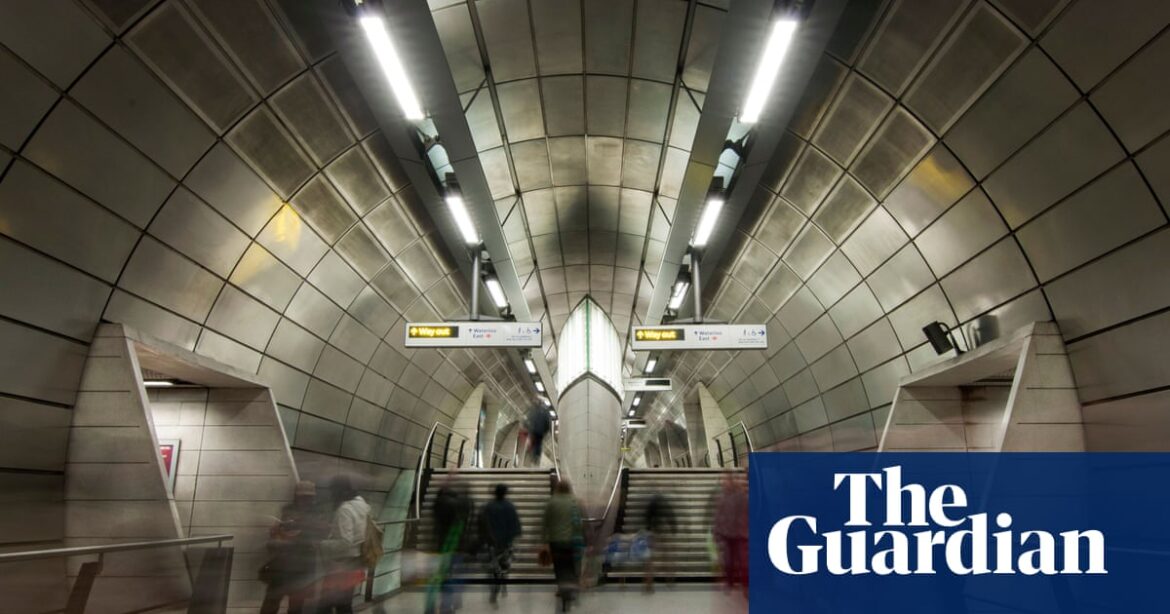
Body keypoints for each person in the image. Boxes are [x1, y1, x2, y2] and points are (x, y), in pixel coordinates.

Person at [259, 481, 322, 614]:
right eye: (303, 496)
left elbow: (317, 536)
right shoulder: (288, 510)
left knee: (295, 605)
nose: (305, 500)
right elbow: (278, 533)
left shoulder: (316, 514)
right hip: (285, 563)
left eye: (307, 497)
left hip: (301, 564)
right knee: (272, 601)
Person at [317, 475, 371, 614]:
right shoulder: (362, 505)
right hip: (356, 560)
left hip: (342, 563)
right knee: (344, 603)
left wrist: (321, 544)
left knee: (325, 604)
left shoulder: (344, 510)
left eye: (332, 491)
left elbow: (345, 542)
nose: (331, 495)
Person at [429, 478, 473, 614]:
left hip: (442, 546)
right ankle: (450, 604)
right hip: (455, 546)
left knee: (443, 576)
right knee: (454, 575)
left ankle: (442, 606)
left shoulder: (439, 504)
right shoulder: (458, 508)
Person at [478, 483, 522, 607]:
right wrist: (513, 540)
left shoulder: (488, 506)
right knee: (503, 567)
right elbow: (515, 527)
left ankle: (494, 590)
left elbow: (482, 524)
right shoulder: (509, 506)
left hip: (491, 543)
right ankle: (501, 585)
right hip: (505, 544)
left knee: (493, 568)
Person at [543, 480, 584, 612]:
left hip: (556, 541)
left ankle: (561, 588)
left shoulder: (552, 502)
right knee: (571, 565)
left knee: (559, 567)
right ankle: (572, 586)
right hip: (572, 541)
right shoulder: (575, 502)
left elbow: (545, 524)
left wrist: (544, 542)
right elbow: (579, 523)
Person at [713, 473, 749, 596]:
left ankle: (746, 586)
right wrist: (716, 533)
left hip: (740, 535)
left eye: (725, 480)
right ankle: (730, 583)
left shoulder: (741, 497)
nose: (723, 482)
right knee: (728, 561)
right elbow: (718, 517)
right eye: (722, 480)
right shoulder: (722, 498)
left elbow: (748, 513)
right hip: (727, 535)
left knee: (743, 562)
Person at [642, 492, 677, 592]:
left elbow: (647, 517)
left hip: (653, 531)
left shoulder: (651, 504)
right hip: (664, 530)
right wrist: (673, 527)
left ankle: (649, 582)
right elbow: (671, 515)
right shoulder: (665, 502)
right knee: (667, 555)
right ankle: (670, 578)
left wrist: (648, 529)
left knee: (651, 558)